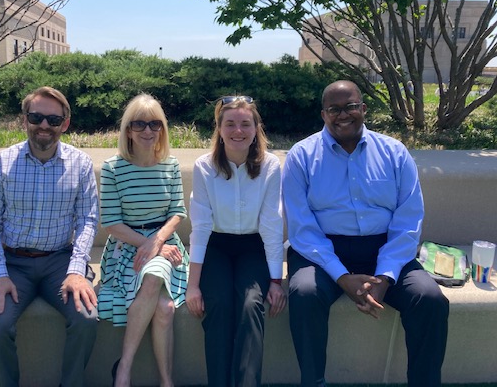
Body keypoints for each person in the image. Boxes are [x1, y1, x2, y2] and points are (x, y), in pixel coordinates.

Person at [282, 80, 449, 387]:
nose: (342, 115)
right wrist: (342, 277)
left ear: (363, 108)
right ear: (323, 114)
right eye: (334, 109)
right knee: (304, 293)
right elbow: (302, 228)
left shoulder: (395, 153)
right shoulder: (301, 156)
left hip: (384, 249)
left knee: (430, 299)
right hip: (320, 252)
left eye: (350, 106)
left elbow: (408, 221)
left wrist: (385, 276)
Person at [0, 86, 99, 387]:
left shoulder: (80, 164)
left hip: (60, 260)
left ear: (65, 124)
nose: (44, 125)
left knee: (86, 318)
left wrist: (76, 270)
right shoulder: (2, 163)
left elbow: (87, 220)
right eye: (36, 117)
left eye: (53, 120)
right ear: (24, 120)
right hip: (12, 263)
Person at [187, 95, 286, 387]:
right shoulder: (204, 167)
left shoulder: (270, 167)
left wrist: (276, 281)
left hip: (252, 248)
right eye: (229, 123)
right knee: (216, 303)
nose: (238, 131)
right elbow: (201, 228)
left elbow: (271, 225)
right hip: (216, 246)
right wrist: (193, 286)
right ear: (219, 128)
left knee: (250, 304)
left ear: (257, 128)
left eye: (245, 123)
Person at [98, 93, 189, 387]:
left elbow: (177, 212)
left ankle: (154, 378)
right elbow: (111, 222)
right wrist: (147, 245)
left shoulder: (170, 165)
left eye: (155, 124)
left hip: (166, 244)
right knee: (159, 298)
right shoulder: (113, 168)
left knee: (163, 303)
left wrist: (158, 242)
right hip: (128, 247)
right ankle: (130, 371)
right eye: (139, 124)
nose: (148, 131)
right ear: (128, 130)